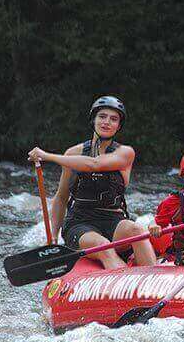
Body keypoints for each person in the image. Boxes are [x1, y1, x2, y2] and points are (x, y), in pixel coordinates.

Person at [27, 95, 156, 269]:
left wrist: (47, 156)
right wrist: (53, 239)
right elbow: (61, 198)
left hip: (114, 219)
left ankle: (154, 282)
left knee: (138, 231)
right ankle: (119, 286)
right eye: (102, 116)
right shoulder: (72, 154)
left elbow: (94, 164)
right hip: (80, 223)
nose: (107, 122)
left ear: (119, 126)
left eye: (113, 119)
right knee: (104, 247)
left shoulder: (125, 153)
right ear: (93, 119)